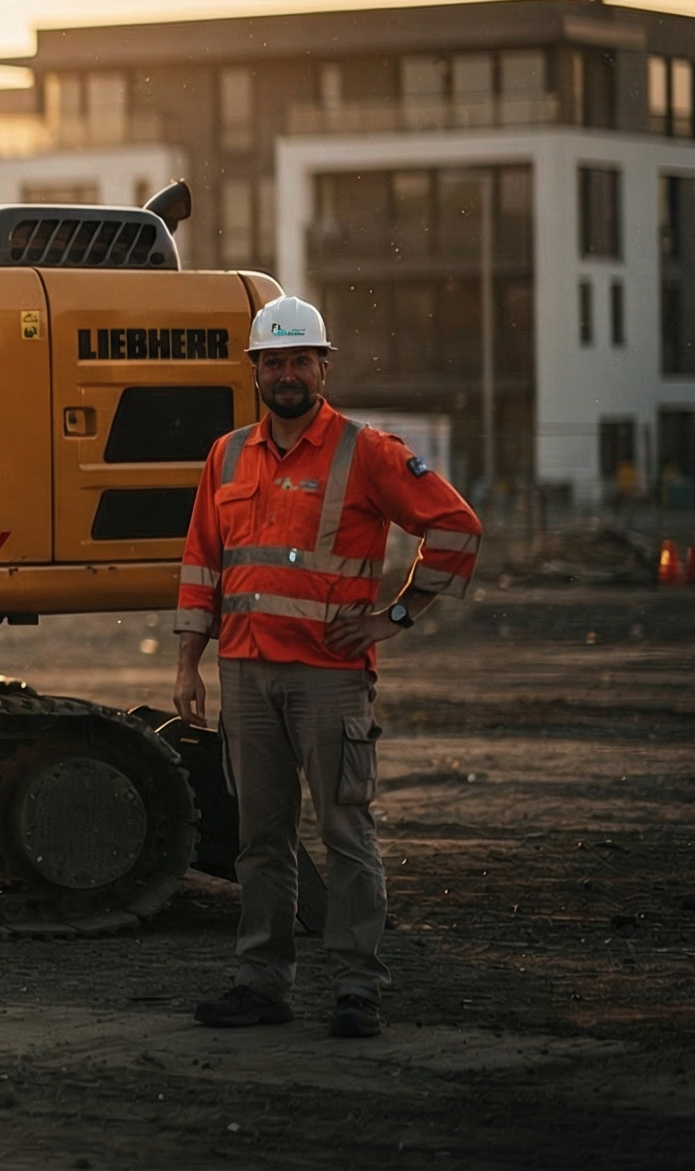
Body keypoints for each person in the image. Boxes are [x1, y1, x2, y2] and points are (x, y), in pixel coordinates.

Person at [172, 295, 482, 1039]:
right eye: (272, 361)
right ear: (256, 371)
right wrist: (188, 664)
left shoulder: (367, 451)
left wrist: (394, 616)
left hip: (329, 678)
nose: (286, 374)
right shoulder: (227, 455)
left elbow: (457, 528)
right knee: (260, 840)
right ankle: (261, 984)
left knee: (347, 834)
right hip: (246, 675)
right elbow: (200, 565)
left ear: (323, 367)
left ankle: (356, 990)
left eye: (299, 360)